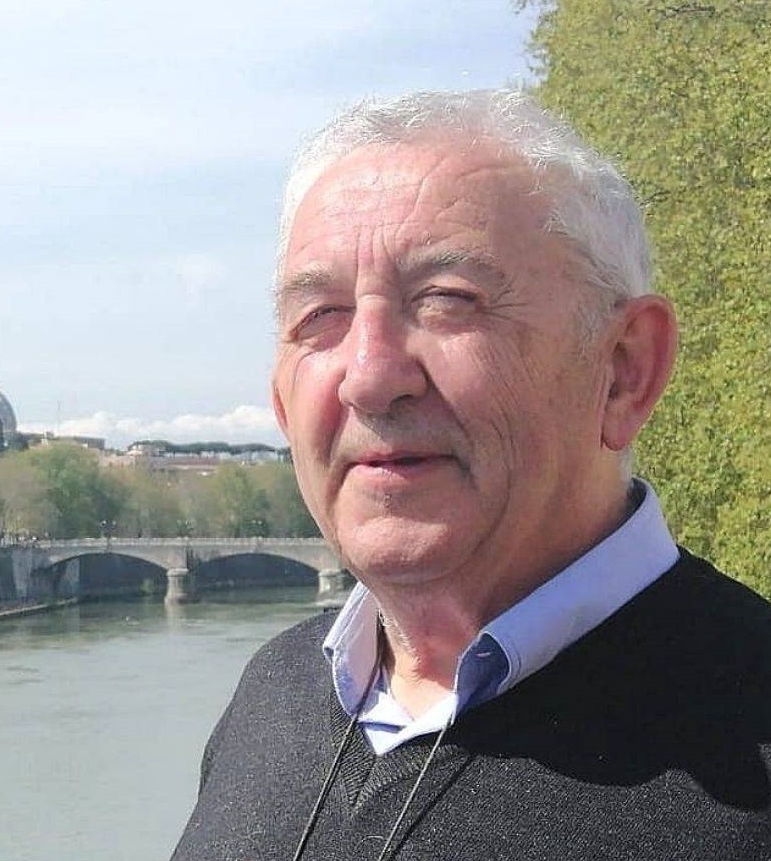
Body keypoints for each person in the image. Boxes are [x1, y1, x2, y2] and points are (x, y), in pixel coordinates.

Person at [171, 90, 771, 861]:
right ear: (282, 402)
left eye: (447, 300)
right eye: (320, 317)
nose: (368, 376)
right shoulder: (273, 693)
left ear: (623, 370)